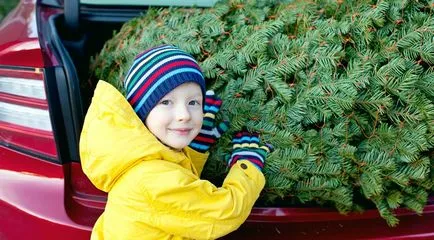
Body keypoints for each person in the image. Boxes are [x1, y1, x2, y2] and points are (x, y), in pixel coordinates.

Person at [79, 44, 272, 240]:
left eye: (193, 103)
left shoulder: (143, 160)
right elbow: (224, 212)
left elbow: (178, 185)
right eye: (166, 102)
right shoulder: (151, 181)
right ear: (141, 112)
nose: (184, 115)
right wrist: (247, 166)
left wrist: (194, 149)